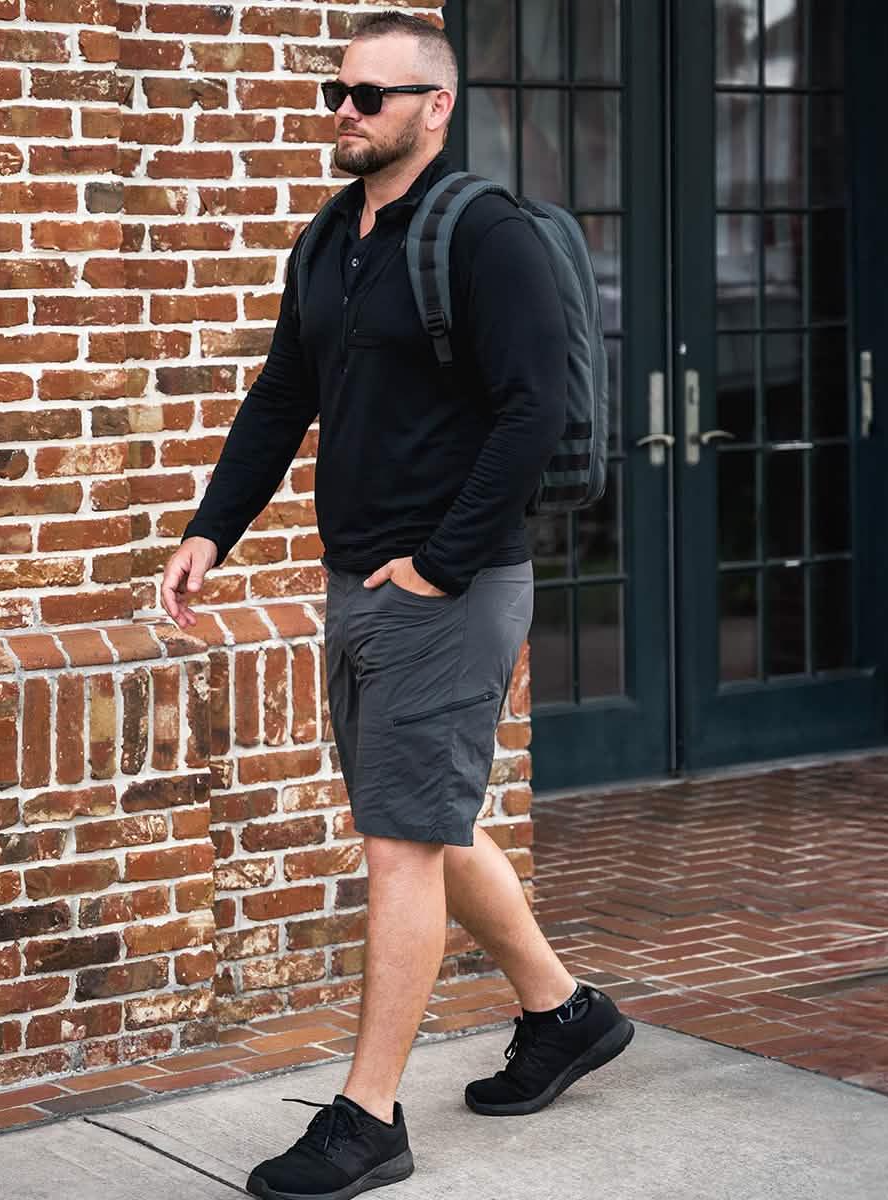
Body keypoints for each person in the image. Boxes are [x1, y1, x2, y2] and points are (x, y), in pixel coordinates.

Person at [160, 11, 634, 1199]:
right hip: (359, 579)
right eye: (337, 90)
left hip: (448, 587)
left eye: (372, 95)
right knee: (421, 812)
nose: (345, 110)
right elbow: (282, 398)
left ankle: (368, 1118)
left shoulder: (488, 236)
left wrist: (439, 563)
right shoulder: (329, 241)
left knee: (400, 842)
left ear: (436, 107)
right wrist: (210, 529)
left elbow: (532, 414)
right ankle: (564, 1013)